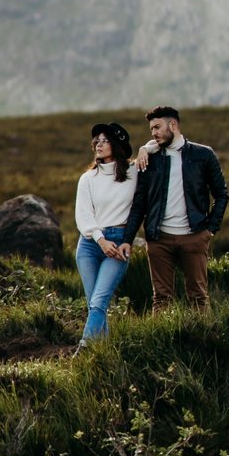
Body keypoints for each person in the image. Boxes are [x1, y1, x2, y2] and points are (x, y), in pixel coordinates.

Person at [118, 106, 229, 312]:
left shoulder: (203, 155)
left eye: (158, 127)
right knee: (160, 298)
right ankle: (161, 343)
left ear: (174, 125)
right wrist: (127, 239)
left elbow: (221, 194)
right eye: (151, 129)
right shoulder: (149, 159)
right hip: (159, 239)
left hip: (194, 236)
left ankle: (201, 342)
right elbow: (139, 203)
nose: (154, 133)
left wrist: (210, 229)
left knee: (198, 297)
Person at [73, 120, 142, 352]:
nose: (99, 145)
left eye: (105, 141)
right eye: (97, 141)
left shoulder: (134, 172)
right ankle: (103, 353)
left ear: (117, 145)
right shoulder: (87, 179)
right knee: (95, 304)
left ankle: (85, 347)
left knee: (99, 301)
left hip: (119, 243)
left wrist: (145, 149)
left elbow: (155, 147)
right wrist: (100, 239)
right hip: (90, 245)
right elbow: (83, 215)